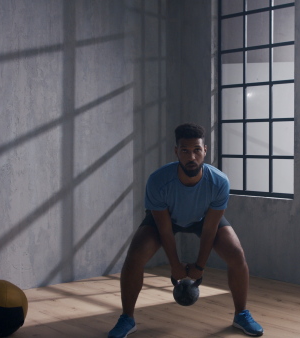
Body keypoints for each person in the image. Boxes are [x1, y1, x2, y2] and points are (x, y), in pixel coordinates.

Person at [108, 123, 264, 337]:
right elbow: (164, 229)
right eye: (185, 151)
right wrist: (175, 267)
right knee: (134, 257)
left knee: (237, 255)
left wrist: (199, 267)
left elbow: (210, 229)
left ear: (205, 151)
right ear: (176, 152)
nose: (192, 157)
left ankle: (241, 315)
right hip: (167, 219)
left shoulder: (219, 182)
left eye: (197, 150)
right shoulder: (158, 181)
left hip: (203, 219)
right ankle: (127, 318)